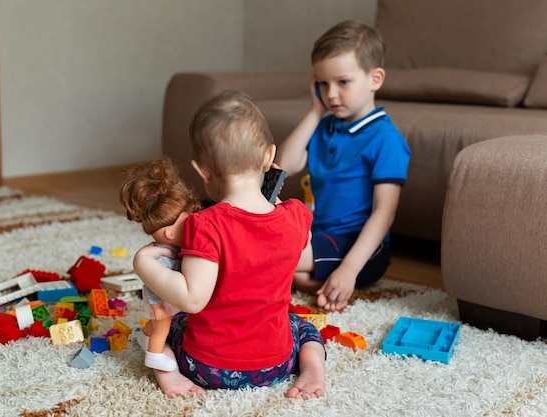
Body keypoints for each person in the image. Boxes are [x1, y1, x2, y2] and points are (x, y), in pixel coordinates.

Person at [133, 90, 326, 399]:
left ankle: (170, 376)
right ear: (268, 156)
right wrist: (274, 205)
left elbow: (192, 300)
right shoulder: (295, 216)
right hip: (275, 364)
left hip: (208, 367)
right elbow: (303, 259)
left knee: (161, 328)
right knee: (302, 328)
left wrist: (142, 264)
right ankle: (312, 366)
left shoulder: (205, 225)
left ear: (201, 170)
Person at [276, 20, 411, 312]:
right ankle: (319, 281)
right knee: (279, 248)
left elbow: (384, 212)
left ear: (375, 79)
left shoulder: (386, 139)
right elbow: (283, 165)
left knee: (276, 256)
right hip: (321, 234)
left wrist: (349, 268)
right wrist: (315, 111)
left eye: (343, 82)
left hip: (362, 248)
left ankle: (333, 278)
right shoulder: (325, 127)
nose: (332, 94)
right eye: (323, 84)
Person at [119, 157, 202, 372]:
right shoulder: (163, 256)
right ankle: (155, 356)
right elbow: (155, 283)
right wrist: (156, 306)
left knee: (156, 326)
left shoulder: (170, 248)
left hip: (167, 297)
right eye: (188, 221)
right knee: (162, 328)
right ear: (170, 233)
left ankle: (143, 338)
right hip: (160, 300)